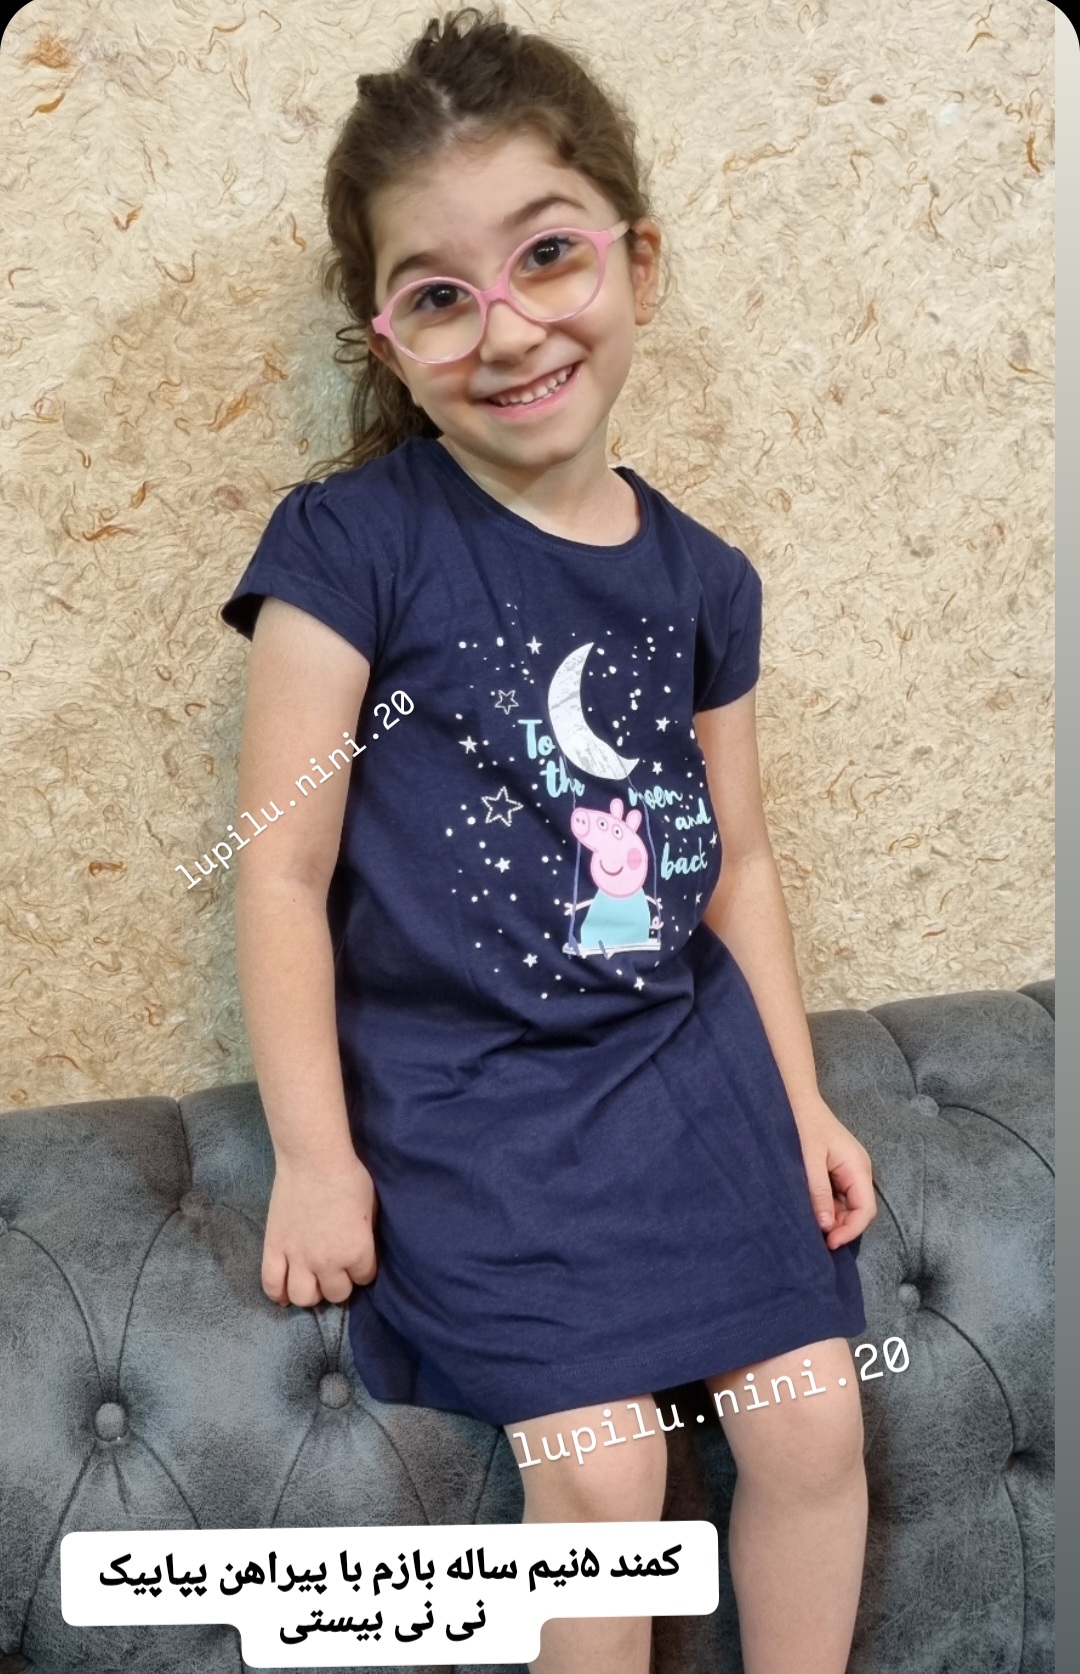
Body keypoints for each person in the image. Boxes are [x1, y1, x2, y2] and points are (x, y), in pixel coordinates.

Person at [218, 8, 877, 1672]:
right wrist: (316, 1155)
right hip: (472, 1102)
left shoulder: (706, 577)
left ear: (636, 263)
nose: (505, 327)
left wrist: (799, 1097)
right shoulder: (350, 545)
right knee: (605, 1472)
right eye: (440, 293)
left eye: (548, 255)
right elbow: (283, 867)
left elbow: (738, 860)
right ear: (386, 339)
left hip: (681, 1065)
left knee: (814, 1424)